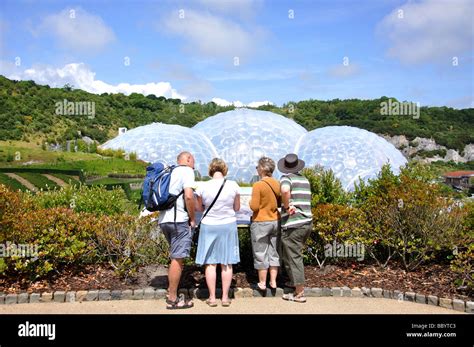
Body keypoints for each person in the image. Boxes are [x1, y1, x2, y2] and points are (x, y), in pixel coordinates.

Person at [195, 158, 240, 307]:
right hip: (228, 224)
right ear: (224, 170)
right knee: (226, 262)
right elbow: (237, 207)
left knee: (210, 262)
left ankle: (212, 297)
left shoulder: (202, 186)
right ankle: (225, 298)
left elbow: (199, 208)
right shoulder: (233, 185)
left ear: (211, 170)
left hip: (209, 225)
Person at [158, 151, 196, 309]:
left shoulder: (170, 171)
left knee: (175, 256)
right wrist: (192, 218)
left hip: (164, 220)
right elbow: (188, 196)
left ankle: (170, 291)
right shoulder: (187, 171)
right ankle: (172, 299)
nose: (194, 164)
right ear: (187, 159)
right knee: (178, 258)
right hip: (178, 220)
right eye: (193, 160)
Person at [277, 153, 313, 303]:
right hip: (307, 222)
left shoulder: (286, 179)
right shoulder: (304, 180)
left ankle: (299, 292)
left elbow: (285, 191)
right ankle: (293, 282)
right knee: (290, 255)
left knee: (294, 257)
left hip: (294, 224)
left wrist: (286, 206)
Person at [249, 157, 281, 292]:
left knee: (260, 252)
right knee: (274, 252)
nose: (256, 169)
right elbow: (279, 202)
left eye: (257, 167)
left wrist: (249, 203)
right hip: (275, 220)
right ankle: (273, 281)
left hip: (261, 221)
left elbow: (254, 206)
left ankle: (262, 282)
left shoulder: (258, 185)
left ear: (262, 169)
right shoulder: (277, 183)